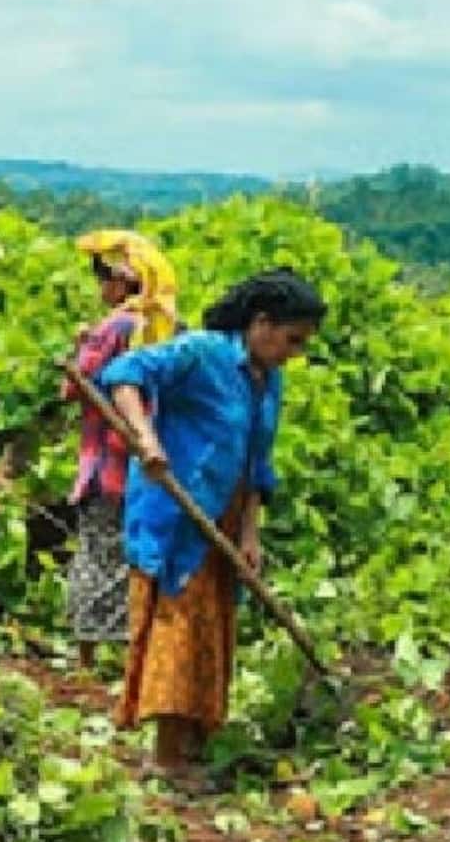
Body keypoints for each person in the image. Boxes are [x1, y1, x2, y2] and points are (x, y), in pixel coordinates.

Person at [100, 268, 324, 783]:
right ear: (262, 324)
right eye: (292, 339)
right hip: (177, 511)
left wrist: (250, 534)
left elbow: (255, 463)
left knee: (213, 628)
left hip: (223, 514)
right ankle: (166, 755)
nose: (295, 352)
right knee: (178, 627)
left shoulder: (270, 382)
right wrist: (147, 440)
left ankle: (195, 741)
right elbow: (124, 376)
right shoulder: (201, 352)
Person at [62, 230, 179, 672]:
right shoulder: (163, 325)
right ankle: (129, 653)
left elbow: (74, 387)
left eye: (104, 277)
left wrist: (79, 349)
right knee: (133, 554)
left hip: (106, 462)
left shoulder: (114, 327)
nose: (100, 287)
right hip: (145, 463)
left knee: (97, 553)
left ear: (122, 283)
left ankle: (88, 659)